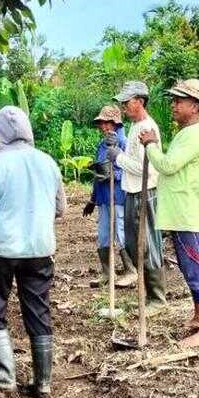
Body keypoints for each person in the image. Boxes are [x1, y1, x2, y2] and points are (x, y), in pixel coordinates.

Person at [0, 106, 67, 398]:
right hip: (40, 248)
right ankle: (43, 381)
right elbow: (60, 209)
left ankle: (3, 374)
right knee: (38, 308)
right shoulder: (48, 162)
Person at [139, 79, 199, 348]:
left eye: (179, 101)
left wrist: (150, 144)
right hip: (184, 213)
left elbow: (168, 165)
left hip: (188, 215)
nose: (173, 105)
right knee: (194, 266)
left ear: (195, 106)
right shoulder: (188, 133)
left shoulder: (195, 134)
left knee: (196, 268)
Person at [106, 81, 168, 314]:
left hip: (145, 191)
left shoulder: (146, 128)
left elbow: (144, 168)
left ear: (140, 102)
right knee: (134, 244)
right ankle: (146, 293)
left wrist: (118, 158)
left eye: (127, 102)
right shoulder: (134, 126)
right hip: (132, 191)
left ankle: (157, 299)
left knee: (147, 243)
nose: (123, 107)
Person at [82, 105, 136, 288]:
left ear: (116, 123)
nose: (104, 127)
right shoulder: (102, 145)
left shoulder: (124, 143)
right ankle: (107, 272)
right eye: (102, 123)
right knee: (103, 234)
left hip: (119, 195)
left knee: (121, 233)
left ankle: (131, 271)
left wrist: (114, 175)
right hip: (104, 197)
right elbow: (99, 173)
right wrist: (92, 199)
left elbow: (130, 170)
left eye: (107, 123)